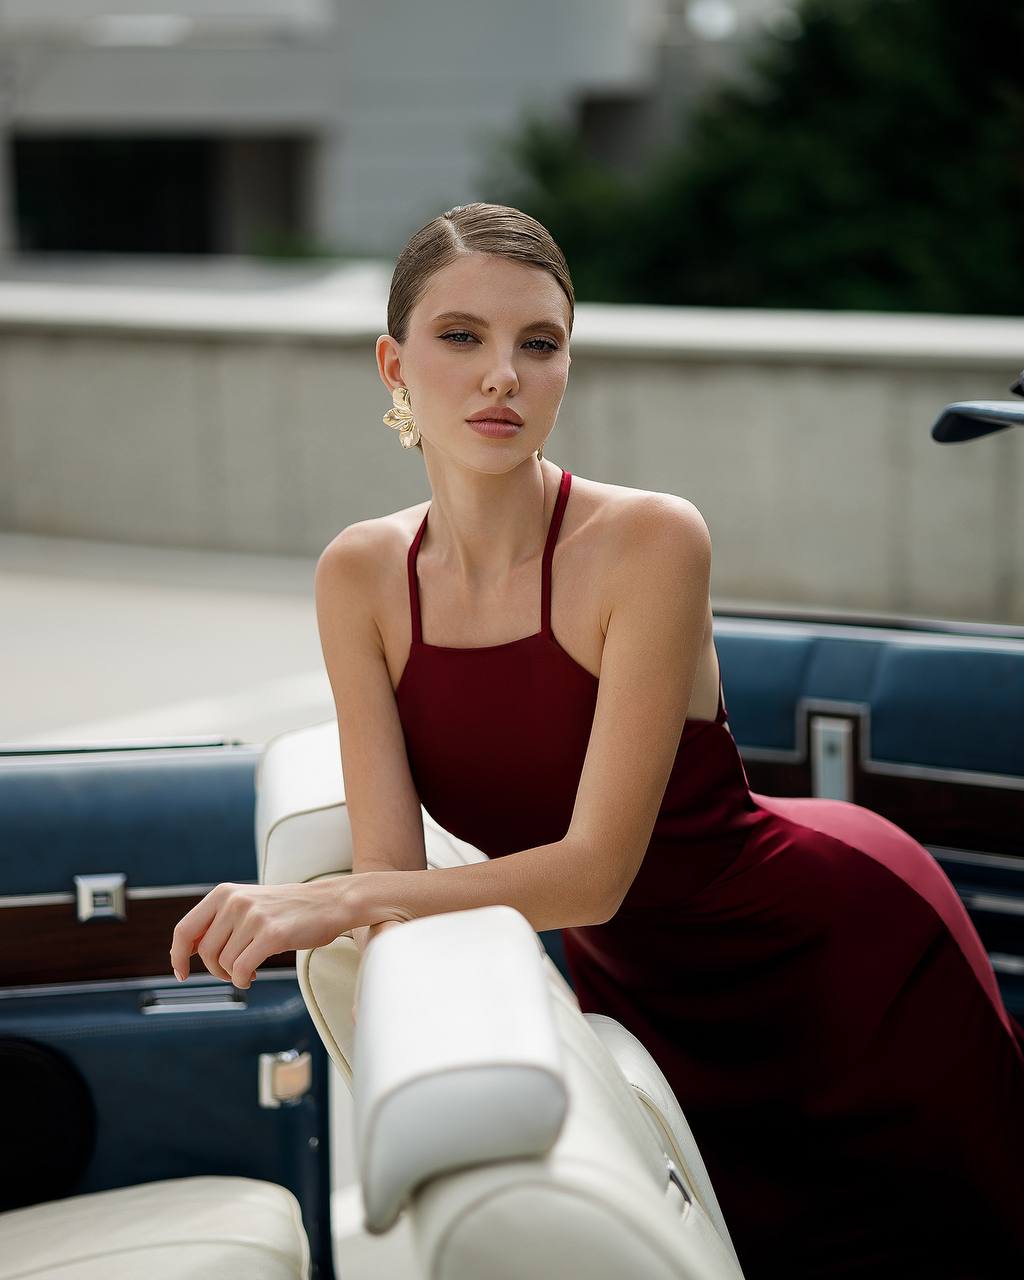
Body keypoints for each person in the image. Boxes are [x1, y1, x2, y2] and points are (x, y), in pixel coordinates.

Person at [174, 201, 1024, 1278]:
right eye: (461, 337)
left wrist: (324, 899)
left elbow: (590, 875)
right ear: (393, 362)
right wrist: (355, 893)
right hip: (645, 991)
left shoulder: (649, 538)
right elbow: (391, 869)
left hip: (837, 952)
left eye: (539, 344)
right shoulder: (360, 574)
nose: (503, 376)